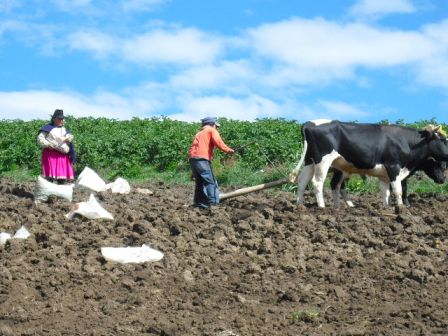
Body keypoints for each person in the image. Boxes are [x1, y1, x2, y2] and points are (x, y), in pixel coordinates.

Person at [189, 117, 234, 209]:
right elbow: (218, 142)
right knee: (211, 182)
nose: (217, 128)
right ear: (212, 124)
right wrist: (228, 150)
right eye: (216, 126)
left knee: (199, 183)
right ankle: (214, 204)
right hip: (202, 159)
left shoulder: (199, 133)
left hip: (193, 159)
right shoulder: (211, 130)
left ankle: (199, 204)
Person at [37, 109, 76, 184]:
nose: (62, 120)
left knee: (61, 178)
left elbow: (70, 138)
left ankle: (60, 193)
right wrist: (48, 144)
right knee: (50, 177)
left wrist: (68, 138)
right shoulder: (47, 128)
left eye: (62, 119)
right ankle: (48, 192)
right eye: (60, 119)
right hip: (50, 154)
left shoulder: (65, 129)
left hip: (62, 155)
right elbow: (40, 138)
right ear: (54, 119)